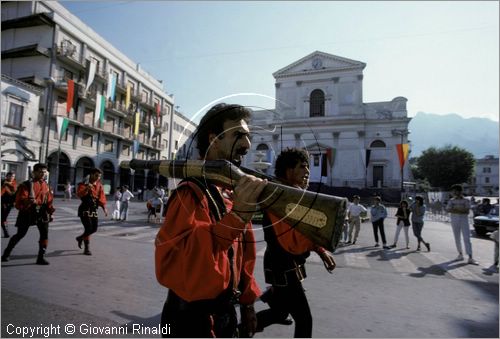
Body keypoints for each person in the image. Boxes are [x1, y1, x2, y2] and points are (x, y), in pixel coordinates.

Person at [155, 103, 267, 337]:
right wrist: (236, 217)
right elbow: (188, 261)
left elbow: (243, 256)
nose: (246, 145)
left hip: (226, 314)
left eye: (247, 136)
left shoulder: (231, 193)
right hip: (190, 321)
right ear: (214, 138)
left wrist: (247, 303)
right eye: (238, 135)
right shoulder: (190, 193)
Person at [255, 148, 336, 338]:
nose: (307, 171)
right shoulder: (280, 197)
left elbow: (304, 232)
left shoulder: (294, 195)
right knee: (304, 320)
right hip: (283, 265)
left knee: (280, 312)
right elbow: (293, 240)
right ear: (289, 171)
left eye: (307, 166)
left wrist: (321, 250)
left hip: (284, 265)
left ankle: (241, 330)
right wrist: (319, 245)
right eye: (302, 167)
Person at [1, 164, 55, 265]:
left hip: (42, 212)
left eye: (44, 172)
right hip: (28, 212)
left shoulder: (46, 185)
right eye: (40, 172)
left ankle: (41, 257)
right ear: (34, 172)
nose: (43, 174)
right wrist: (28, 201)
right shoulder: (26, 185)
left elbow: (49, 200)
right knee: (20, 234)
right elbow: (19, 201)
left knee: (44, 234)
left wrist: (51, 212)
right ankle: (6, 253)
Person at [76, 168, 108, 255]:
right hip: (84, 209)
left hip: (94, 209)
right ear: (91, 174)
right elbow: (79, 194)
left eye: (99, 176)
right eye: (96, 175)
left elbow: (101, 196)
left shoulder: (99, 185)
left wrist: (104, 207)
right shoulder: (83, 184)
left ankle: (80, 238)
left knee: (94, 229)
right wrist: (86, 188)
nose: (98, 178)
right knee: (88, 228)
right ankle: (87, 248)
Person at [446, 184, 478, 264]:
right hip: (454, 220)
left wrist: (455, 209)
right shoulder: (451, 200)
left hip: (464, 220)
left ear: (459, 191)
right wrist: (460, 209)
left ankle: (470, 257)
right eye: (452, 191)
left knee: (466, 238)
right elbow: (448, 210)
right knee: (457, 238)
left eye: (454, 191)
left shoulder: (466, 200)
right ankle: (460, 254)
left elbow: (467, 211)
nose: (453, 192)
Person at [1, 172, 17, 238]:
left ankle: (6, 232)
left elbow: (15, 191)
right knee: (3, 218)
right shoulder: (3, 182)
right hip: (2, 203)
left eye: (13, 176)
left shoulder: (14, 183)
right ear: (7, 176)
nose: (11, 178)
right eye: (10, 176)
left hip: (9, 204)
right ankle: (6, 233)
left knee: (3, 218)